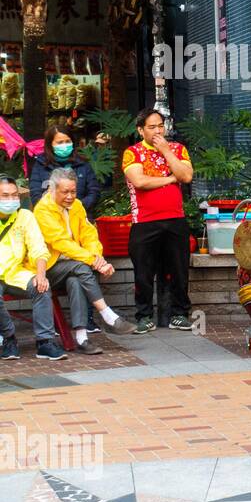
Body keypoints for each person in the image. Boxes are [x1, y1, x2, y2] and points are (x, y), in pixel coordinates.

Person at [33, 168, 134, 353]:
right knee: (80, 268)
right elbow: (61, 242)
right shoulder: (42, 210)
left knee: (76, 278)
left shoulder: (77, 205)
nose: (70, 196)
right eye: (65, 192)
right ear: (52, 190)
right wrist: (93, 261)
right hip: (48, 268)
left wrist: (97, 258)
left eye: (73, 191)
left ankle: (82, 337)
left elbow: (89, 234)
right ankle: (107, 315)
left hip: (74, 266)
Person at [123, 108, 193, 333]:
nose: (157, 131)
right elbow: (140, 181)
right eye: (151, 127)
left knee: (179, 269)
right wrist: (170, 178)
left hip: (175, 219)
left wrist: (165, 150)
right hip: (144, 221)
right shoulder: (132, 152)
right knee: (143, 273)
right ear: (140, 130)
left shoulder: (178, 149)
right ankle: (144, 316)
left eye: (160, 126)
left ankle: (180, 314)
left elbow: (187, 176)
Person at [0, 176, 65, 360]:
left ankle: (45, 342)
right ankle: (9, 338)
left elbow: (39, 248)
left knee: (41, 287)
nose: (11, 200)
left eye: (14, 196)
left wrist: (41, 275)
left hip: (16, 273)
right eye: (5, 196)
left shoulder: (25, 216)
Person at [29, 124, 102, 216]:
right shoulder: (41, 164)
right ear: (50, 144)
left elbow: (94, 191)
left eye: (68, 141)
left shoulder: (82, 163)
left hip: (80, 216)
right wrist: (55, 210)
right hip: (50, 218)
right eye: (60, 142)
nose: (64, 145)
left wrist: (76, 207)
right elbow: (36, 194)